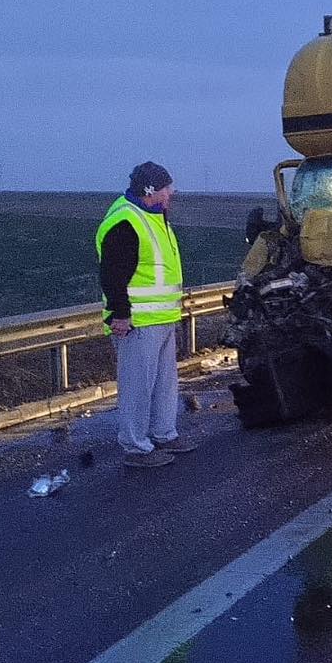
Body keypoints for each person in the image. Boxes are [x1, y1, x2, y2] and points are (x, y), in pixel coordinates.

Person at [97, 162, 198, 467]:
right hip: (137, 323)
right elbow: (113, 275)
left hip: (162, 319)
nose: (172, 193)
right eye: (167, 188)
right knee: (138, 387)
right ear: (151, 190)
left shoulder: (154, 217)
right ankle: (135, 447)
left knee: (165, 383)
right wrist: (120, 315)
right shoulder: (126, 221)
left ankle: (164, 433)